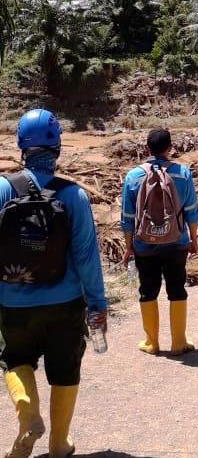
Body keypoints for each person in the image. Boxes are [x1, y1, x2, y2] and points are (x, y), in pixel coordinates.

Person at [0, 109, 107, 458]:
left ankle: (28, 413)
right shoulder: (74, 196)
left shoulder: (2, 189)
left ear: (22, 146)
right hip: (66, 302)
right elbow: (87, 257)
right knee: (65, 369)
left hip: (13, 302)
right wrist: (97, 303)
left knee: (15, 358)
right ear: (57, 146)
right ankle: (59, 444)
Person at [121, 129, 198, 356]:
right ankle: (178, 342)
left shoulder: (133, 176)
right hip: (176, 242)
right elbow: (192, 212)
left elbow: (127, 218)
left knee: (148, 290)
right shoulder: (182, 173)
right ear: (170, 147)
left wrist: (128, 247)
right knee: (176, 288)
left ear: (147, 148)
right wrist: (193, 239)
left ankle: (152, 342)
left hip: (144, 244)